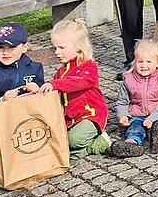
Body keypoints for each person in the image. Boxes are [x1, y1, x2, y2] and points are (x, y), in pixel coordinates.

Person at [0, 23, 45, 186]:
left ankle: (33, 157)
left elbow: (44, 96)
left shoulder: (35, 68)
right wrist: (1, 100)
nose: (5, 52)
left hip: (27, 120)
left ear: (25, 47)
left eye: (11, 47)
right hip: (0, 123)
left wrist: (37, 88)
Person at [40, 20, 111, 159]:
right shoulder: (61, 72)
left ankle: (98, 144)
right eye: (55, 48)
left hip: (91, 116)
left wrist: (54, 84)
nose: (57, 52)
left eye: (61, 48)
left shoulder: (88, 66)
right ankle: (75, 153)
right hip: (70, 119)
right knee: (57, 141)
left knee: (73, 140)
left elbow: (79, 82)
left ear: (79, 47)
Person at [110, 39, 158, 158]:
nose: (144, 65)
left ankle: (155, 137)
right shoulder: (129, 80)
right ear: (134, 62)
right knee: (135, 128)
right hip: (136, 115)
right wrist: (123, 115)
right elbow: (122, 102)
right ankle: (131, 144)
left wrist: (153, 118)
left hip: (156, 114)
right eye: (140, 61)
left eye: (149, 61)